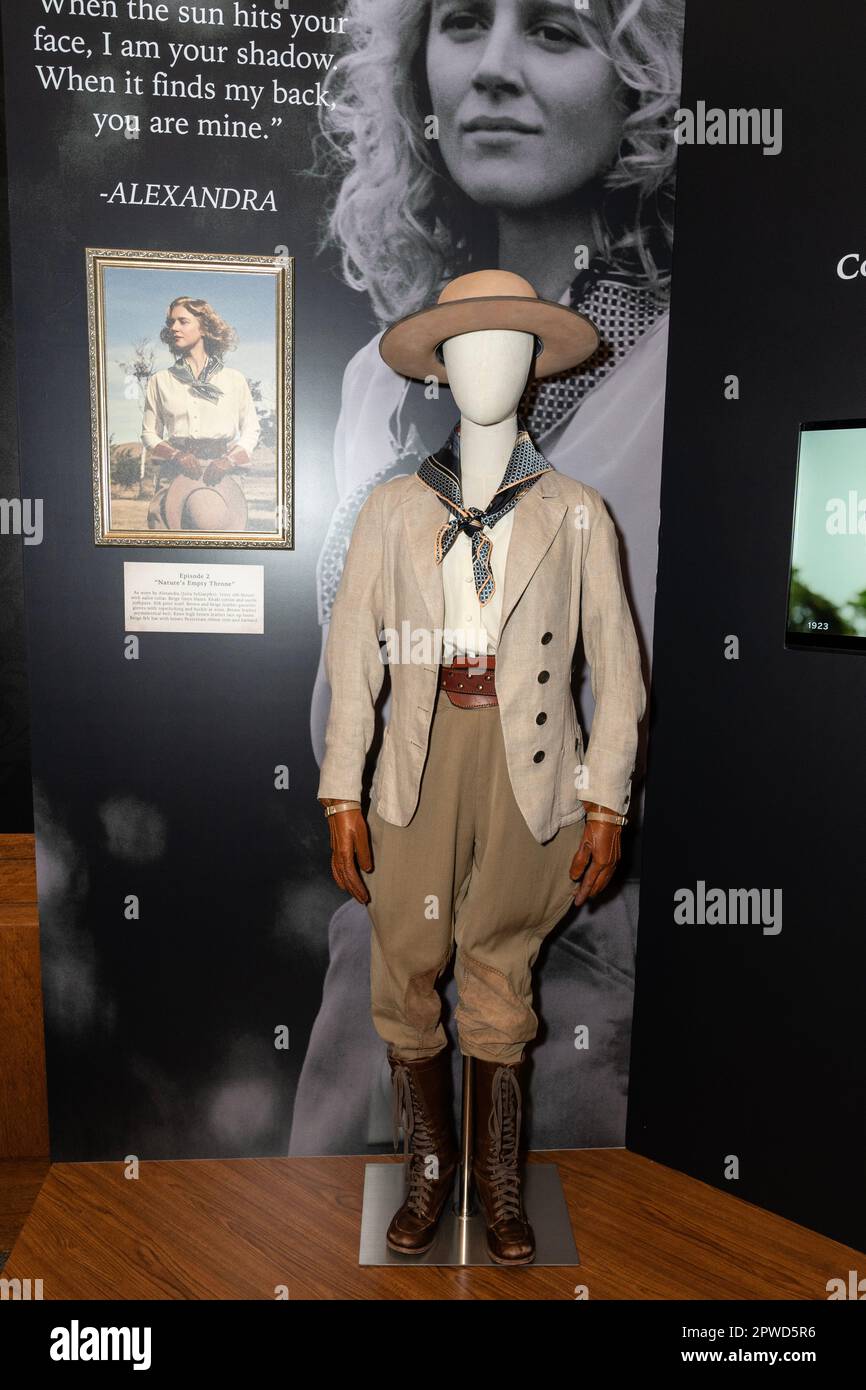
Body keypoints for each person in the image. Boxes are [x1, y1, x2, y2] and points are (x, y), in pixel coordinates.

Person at [289, 0, 683, 1162]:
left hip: (589, 1004)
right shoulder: (377, 378)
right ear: (416, 66)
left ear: (641, 84)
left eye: (555, 33)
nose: (494, 69)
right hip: (370, 995)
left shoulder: (686, 377)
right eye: (463, 23)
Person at [318, 270, 645, 1263]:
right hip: (417, 760)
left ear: (536, 367)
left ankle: (500, 1186)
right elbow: (349, 665)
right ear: (440, 367)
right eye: (465, 345)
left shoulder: (579, 512)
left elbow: (619, 672)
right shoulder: (387, 510)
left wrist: (606, 802)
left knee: (501, 973)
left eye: (508, 345)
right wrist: (340, 788)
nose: (486, 364)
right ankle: (427, 1173)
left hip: (529, 757)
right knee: (403, 974)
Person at [141, 296, 260, 532]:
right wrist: (176, 456)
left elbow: (251, 429)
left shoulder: (233, 380)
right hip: (175, 474)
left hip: (222, 475)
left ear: (204, 327)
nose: (174, 328)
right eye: (171, 322)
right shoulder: (161, 381)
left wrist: (229, 460)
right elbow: (148, 433)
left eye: (182, 321)